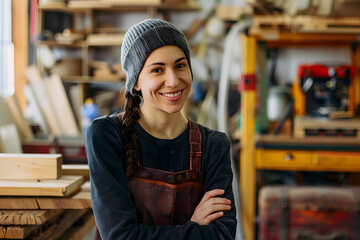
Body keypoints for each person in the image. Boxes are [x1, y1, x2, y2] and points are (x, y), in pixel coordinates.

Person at [85, 18, 237, 240]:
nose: (173, 81)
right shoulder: (106, 136)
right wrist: (194, 226)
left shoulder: (214, 145)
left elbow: (222, 235)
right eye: (157, 70)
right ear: (136, 82)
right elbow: (120, 236)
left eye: (180, 65)